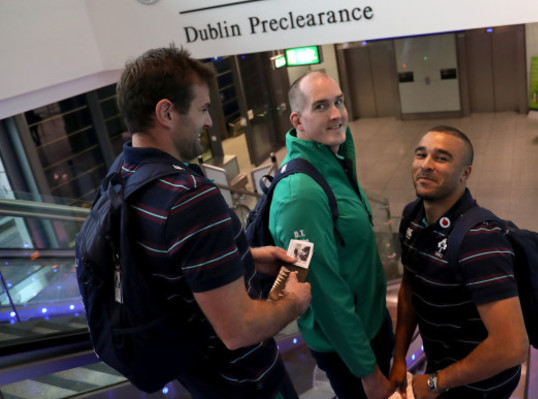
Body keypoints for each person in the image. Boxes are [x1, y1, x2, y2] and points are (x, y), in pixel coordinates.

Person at [115, 45, 311, 399]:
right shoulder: (189, 198)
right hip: (247, 383)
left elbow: (170, 264)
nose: (208, 121)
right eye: (203, 109)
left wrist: (244, 257)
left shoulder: (123, 177)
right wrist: (293, 302)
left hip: (200, 379)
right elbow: (239, 329)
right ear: (166, 113)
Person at [268, 71, 394, 399]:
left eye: (338, 101)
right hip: (350, 349)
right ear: (297, 119)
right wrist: (367, 372)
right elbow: (322, 290)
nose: (337, 114)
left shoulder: (333, 162)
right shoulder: (301, 194)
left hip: (370, 323)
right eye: (321, 106)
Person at [389, 126, 529, 399]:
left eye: (441, 158)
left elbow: (512, 346)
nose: (426, 165)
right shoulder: (413, 216)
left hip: (480, 387)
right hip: (441, 370)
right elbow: (410, 287)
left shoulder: (480, 239)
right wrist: (399, 358)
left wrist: (434, 383)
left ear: (465, 173)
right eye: (421, 155)